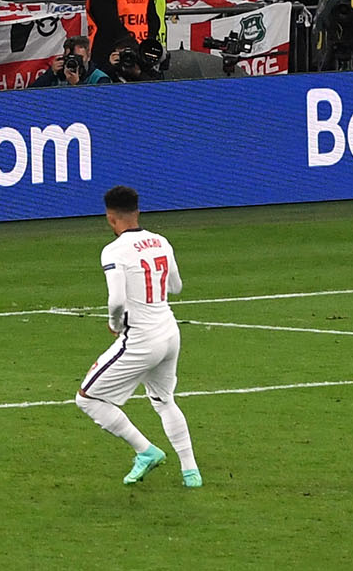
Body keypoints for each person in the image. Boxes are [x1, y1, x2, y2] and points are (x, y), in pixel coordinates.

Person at [75, 185, 202, 489]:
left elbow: (117, 299)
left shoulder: (114, 251)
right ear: (138, 212)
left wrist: (115, 323)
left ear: (110, 218)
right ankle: (190, 472)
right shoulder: (161, 241)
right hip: (170, 333)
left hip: (141, 339)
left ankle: (145, 451)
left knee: (87, 399)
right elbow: (176, 286)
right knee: (163, 400)